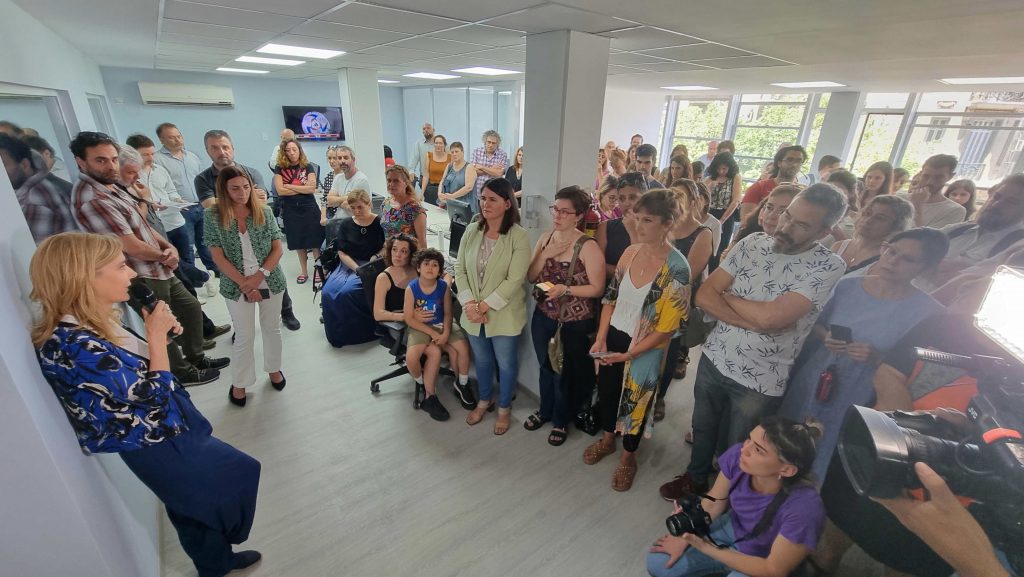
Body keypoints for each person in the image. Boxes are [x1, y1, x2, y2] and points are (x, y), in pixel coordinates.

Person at [30, 232, 262, 577]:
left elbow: (136, 373)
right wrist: (155, 338)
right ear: (84, 277)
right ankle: (219, 555)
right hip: (156, 441)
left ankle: (216, 563)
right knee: (238, 474)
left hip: (170, 427)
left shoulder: (93, 322)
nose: (131, 274)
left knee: (187, 507)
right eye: (121, 266)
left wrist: (160, 335)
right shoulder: (72, 345)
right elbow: (153, 397)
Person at [661, 183, 847, 499]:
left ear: (826, 230)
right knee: (703, 428)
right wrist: (755, 318)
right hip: (715, 356)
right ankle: (695, 477)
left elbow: (771, 319)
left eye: (801, 224)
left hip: (761, 377)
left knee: (741, 445)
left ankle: (722, 497)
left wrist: (731, 299)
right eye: (787, 214)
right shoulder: (752, 244)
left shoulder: (828, 265)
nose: (785, 226)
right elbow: (704, 296)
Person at [780, 228, 948, 481]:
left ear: (926, 268)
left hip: (865, 393)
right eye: (891, 250)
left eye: (908, 259)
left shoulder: (929, 313)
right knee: (787, 439)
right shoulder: (846, 287)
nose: (893, 260)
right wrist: (825, 336)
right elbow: (813, 322)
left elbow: (922, 374)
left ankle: (803, 509)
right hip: (817, 377)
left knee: (831, 452)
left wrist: (879, 358)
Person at [71, 131, 227, 387]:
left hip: (158, 264)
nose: (110, 166)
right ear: (81, 161)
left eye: (112, 159)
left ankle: (195, 358)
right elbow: (129, 244)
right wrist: (165, 255)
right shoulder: (93, 199)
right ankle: (180, 371)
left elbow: (142, 223)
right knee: (160, 323)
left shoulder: (113, 188)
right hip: (138, 272)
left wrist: (168, 248)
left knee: (189, 307)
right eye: (101, 160)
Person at [585, 189, 691, 492]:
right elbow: (610, 298)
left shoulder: (678, 268)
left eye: (647, 220)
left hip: (647, 346)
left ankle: (628, 458)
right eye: (636, 217)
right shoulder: (630, 252)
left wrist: (630, 355)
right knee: (607, 390)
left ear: (667, 223)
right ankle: (607, 439)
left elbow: (668, 328)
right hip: (616, 334)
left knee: (636, 403)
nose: (638, 224)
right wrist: (602, 338)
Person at [646, 418, 826, 577]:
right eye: (749, 439)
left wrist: (705, 548)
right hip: (732, 528)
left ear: (786, 470)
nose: (744, 449)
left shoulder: (805, 509)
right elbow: (714, 503)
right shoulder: (739, 456)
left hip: (764, 554)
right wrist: (687, 532)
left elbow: (774, 570)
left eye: (758, 449)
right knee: (658, 563)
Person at [193, 129, 301, 331]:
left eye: (225, 147)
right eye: (215, 148)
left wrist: (234, 201)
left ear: (232, 148)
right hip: (229, 239)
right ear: (207, 151)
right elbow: (210, 205)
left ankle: (287, 312)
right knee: (237, 294)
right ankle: (241, 326)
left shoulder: (251, 172)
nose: (221, 152)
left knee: (274, 274)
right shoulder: (203, 179)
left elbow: (260, 202)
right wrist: (242, 202)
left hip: (258, 236)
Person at [524, 186, 606, 446]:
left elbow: (597, 288)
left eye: (564, 211)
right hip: (544, 317)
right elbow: (531, 276)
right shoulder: (546, 238)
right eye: (555, 209)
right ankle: (544, 410)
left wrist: (567, 289)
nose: (557, 216)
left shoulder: (587, 246)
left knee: (565, 374)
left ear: (579, 215)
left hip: (574, 323)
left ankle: (560, 420)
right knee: (545, 368)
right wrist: (545, 254)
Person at [204, 166, 287, 407]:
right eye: (235, 188)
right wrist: (246, 284)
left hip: (269, 279)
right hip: (236, 284)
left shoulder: (264, 211)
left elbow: (277, 248)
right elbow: (217, 256)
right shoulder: (213, 215)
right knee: (245, 335)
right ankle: (240, 382)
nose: (242, 193)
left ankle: (274, 369)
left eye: (246, 187)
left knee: (272, 328)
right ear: (224, 189)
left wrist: (259, 276)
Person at [456, 177, 530, 435]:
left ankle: (504, 408)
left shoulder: (519, 236)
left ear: (508, 203)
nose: (485, 204)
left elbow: (515, 279)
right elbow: (460, 268)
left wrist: (483, 306)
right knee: (483, 361)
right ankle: (484, 400)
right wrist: (468, 303)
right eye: (483, 198)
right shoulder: (472, 228)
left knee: (506, 363)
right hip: (473, 313)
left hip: (503, 314)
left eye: (492, 199)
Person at [657, 179, 713, 403]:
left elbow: (685, 276)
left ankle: (659, 396)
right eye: (672, 195)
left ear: (693, 201)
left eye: (680, 196)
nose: (675, 200)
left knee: (669, 351)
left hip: (676, 300)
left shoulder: (702, 233)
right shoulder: (664, 225)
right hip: (653, 297)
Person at [403, 248, 473, 421]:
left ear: (440, 271)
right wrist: (431, 334)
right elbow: (409, 319)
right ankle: (422, 385)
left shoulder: (443, 287)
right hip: (420, 326)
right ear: (418, 268)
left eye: (435, 265)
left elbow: (449, 313)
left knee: (463, 348)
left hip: (443, 324)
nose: (430, 268)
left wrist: (446, 332)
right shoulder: (411, 289)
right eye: (426, 264)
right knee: (412, 358)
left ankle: (462, 384)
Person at [922, 173, 1024, 292]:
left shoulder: (1017, 248)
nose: (996, 204)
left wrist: (925, 263)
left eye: (1011, 202)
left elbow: (964, 285)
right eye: (996, 196)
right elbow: (907, 251)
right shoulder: (959, 230)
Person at [322, 189, 387, 348]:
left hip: (371, 265)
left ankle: (359, 334)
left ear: (369, 204)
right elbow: (342, 252)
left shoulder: (380, 223)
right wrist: (357, 268)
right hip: (349, 264)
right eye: (353, 208)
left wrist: (375, 258)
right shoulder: (346, 224)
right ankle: (338, 335)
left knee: (347, 292)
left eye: (360, 207)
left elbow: (386, 247)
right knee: (328, 292)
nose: (357, 211)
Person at [153, 123, 218, 281]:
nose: (177, 140)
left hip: (201, 205)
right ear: (161, 140)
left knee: (206, 242)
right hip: (181, 210)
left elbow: (203, 180)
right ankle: (193, 279)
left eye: (179, 136)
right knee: (187, 247)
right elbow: (162, 188)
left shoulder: (192, 157)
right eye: (171, 137)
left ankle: (215, 272)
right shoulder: (158, 160)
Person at [0, 132, 76, 244]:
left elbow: (34, 257)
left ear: (24, 165)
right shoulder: (41, 185)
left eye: (3, 165)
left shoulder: (34, 200)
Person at [273, 138, 322, 284]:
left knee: (315, 241)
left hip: (309, 207)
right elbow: (280, 191)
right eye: (288, 150)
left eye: (294, 149)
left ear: (299, 150)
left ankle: (318, 269)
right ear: (284, 153)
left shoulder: (307, 166)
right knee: (298, 242)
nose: (292, 153)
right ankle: (304, 271)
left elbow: (311, 189)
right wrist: (301, 188)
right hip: (291, 209)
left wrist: (289, 186)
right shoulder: (279, 168)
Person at [832, 195, 914, 273]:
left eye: (880, 218)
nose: (868, 220)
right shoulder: (839, 246)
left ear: (896, 226)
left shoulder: (884, 259)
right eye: (868, 213)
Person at [597, 171, 648, 279]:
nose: (626, 203)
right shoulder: (605, 227)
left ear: (645, 198)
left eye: (633, 197)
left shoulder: (655, 230)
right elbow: (597, 267)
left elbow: (641, 272)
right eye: (622, 198)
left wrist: (633, 231)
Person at [740, 145, 807, 221]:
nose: (794, 164)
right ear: (779, 163)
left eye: (798, 161)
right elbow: (745, 221)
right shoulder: (759, 187)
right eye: (789, 160)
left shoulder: (801, 193)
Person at [702, 152, 743, 269]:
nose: (721, 171)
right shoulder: (710, 179)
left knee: (719, 247)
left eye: (724, 168)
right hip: (709, 212)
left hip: (726, 213)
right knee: (705, 244)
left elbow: (736, 201)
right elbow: (700, 196)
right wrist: (709, 188)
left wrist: (722, 220)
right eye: (719, 168)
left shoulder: (735, 177)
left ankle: (713, 271)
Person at [904, 154, 966, 227]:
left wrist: (917, 206)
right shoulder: (899, 198)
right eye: (926, 176)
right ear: (921, 173)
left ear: (950, 177)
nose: (930, 182)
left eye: (939, 177)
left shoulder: (955, 211)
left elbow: (925, 237)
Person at [380, 164, 428, 250]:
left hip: (407, 257)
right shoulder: (386, 204)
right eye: (389, 180)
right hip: (389, 254)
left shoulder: (415, 209)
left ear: (406, 183)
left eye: (396, 181)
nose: (391, 184)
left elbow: (422, 243)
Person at [325, 145, 371, 219]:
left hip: (356, 224)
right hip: (340, 223)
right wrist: (346, 198)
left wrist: (337, 201)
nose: (342, 161)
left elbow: (353, 208)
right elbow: (329, 201)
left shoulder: (361, 180)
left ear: (353, 159)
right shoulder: (338, 178)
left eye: (346, 158)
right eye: (339, 158)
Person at [469, 130, 510, 214]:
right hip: (478, 194)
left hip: (495, 194)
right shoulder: (476, 152)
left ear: (497, 144)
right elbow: (473, 172)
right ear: (485, 142)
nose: (491, 145)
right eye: (489, 142)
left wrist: (482, 167)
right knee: (478, 219)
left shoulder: (502, 155)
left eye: (494, 143)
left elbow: (499, 174)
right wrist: (492, 169)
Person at [437, 141, 476, 207]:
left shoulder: (469, 167)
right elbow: (442, 181)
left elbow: (469, 187)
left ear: (462, 152)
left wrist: (453, 196)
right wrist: (439, 193)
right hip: (450, 204)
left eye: (456, 151)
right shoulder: (449, 166)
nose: (454, 154)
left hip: (465, 205)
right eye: (452, 152)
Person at [422, 134, 450, 205]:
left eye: (440, 143)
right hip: (431, 189)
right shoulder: (429, 155)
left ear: (444, 145)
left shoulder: (450, 157)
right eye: (436, 143)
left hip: (445, 191)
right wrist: (421, 193)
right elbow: (426, 176)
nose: (438, 145)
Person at [318, 145, 342, 222]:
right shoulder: (329, 176)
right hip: (330, 216)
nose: (331, 161)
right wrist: (323, 217)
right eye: (329, 158)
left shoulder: (346, 177)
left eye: (334, 158)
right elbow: (325, 200)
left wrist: (332, 201)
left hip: (343, 215)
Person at [410, 122, 434, 190]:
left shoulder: (440, 143)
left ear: (433, 130)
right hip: (424, 178)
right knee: (425, 199)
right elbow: (414, 159)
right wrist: (411, 171)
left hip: (438, 178)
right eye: (424, 129)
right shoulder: (419, 143)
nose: (426, 130)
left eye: (428, 128)